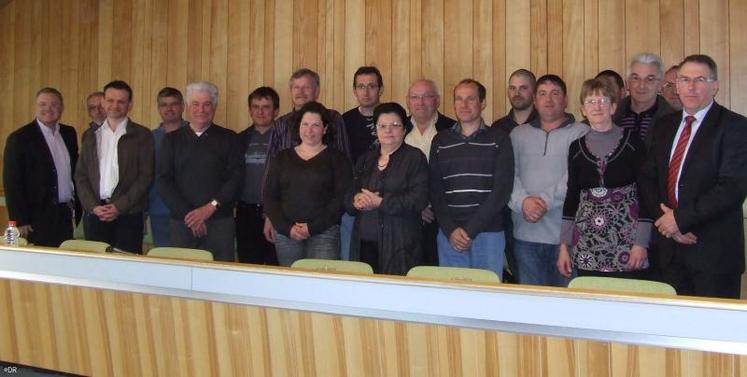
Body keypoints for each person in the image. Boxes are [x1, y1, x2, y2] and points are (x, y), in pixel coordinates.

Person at [639, 54, 747, 298]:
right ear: (676, 85)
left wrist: (681, 219)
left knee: (713, 332)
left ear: (715, 86)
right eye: (684, 79)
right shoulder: (664, 125)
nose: (691, 86)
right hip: (668, 251)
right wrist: (666, 221)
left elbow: (732, 187)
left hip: (713, 254)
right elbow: (647, 178)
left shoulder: (735, 126)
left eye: (700, 79)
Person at [557, 78, 652, 279]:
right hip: (587, 242)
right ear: (583, 110)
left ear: (613, 107)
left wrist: (641, 243)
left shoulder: (633, 141)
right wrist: (564, 246)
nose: (597, 106)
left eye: (603, 101)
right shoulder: (576, 147)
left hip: (627, 240)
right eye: (591, 102)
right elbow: (572, 197)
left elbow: (647, 194)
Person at [430, 79, 513, 279]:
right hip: (450, 235)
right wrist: (451, 229)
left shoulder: (499, 138)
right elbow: (435, 190)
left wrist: (470, 230)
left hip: (488, 233)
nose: (464, 104)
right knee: (453, 300)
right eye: (459, 99)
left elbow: (501, 190)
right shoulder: (440, 140)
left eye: (470, 99)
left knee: (487, 300)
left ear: (482, 103)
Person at [509, 75, 588, 286]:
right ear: (534, 100)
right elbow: (508, 176)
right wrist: (523, 202)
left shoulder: (581, 133)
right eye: (542, 94)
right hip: (525, 235)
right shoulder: (517, 135)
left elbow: (574, 178)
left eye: (555, 94)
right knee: (530, 308)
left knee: (566, 310)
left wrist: (543, 201)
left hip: (564, 238)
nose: (549, 99)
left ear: (565, 100)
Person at [263, 68, 351, 247]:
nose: (300, 92)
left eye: (306, 87)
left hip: (325, 219)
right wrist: (269, 216)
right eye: (296, 87)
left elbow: (345, 162)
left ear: (317, 91)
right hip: (286, 221)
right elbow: (269, 176)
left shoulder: (333, 118)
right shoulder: (280, 124)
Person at [157, 81, 242, 261]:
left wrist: (209, 208)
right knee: (181, 279)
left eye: (207, 104)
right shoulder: (171, 140)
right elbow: (163, 181)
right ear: (187, 107)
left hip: (219, 222)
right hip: (182, 222)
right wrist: (190, 215)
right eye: (195, 104)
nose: (201, 109)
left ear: (215, 107)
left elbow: (235, 179)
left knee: (220, 278)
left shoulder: (229, 138)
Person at [345, 102, 428, 275]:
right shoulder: (365, 159)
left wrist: (380, 202)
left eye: (395, 125)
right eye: (382, 126)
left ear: (404, 129)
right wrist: (356, 200)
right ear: (376, 130)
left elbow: (418, 199)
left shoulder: (414, 157)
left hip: (400, 243)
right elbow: (349, 194)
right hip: (364, 240)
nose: (388, 130)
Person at [75, 80, 154, 253]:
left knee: (127, 270)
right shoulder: (90, 136)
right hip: (96, 213)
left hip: (128, 214)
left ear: (130, 105)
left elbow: (145, 176)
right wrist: (93, 206)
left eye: (121, 101)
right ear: (103, 102)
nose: (115, 105)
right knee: (96, 271)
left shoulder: (142, 135)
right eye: (110, 100)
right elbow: (81, 176)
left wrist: (119, 206)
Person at [3, 87, 79, 247]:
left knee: (63, 262)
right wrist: (20, 220)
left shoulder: (69, 133)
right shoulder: (19, 138)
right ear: (35, 107)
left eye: (54, 104)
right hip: (35, 218)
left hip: (64, 214)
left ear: (62, 107)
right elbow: (12, 182)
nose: (48, 109)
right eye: (42, 104)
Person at [404, 79, 455, 267]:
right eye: (415, 97)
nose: (420, 102)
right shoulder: (397, 130)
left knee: (438, 272)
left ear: (437, 101)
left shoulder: (452, 129)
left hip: (443, 216)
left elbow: (453, 175)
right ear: (408, 102)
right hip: (406, 215)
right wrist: (417, 206)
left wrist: (432, 205)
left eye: (427, 96)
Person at [341, 66, 384, 261]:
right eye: (361, 86)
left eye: (372, 86)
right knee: (353, 261)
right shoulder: (344, 121)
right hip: (354, 201)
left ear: (380, 89)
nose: (366, 92)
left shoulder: (392, 118)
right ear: (354, 90)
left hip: (386, 202)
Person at [236, 87, 280, 265]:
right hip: (245, 212)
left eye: (266, 107)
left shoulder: (284, 138)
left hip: (275, 213)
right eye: (255, 106)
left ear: (276, 111)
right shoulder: (238, 140)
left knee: (274, 267)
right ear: (249, 110)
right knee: (247, 266)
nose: (260, 112)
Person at [148, 87, 187, 247]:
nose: (169, 109)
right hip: (158, 209)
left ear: (182, 106)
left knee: (187, 260)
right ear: (158, 108)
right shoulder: (149, 138)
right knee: (163, 259)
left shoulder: (194, 134)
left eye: (174, 104)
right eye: (164, 105)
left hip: (188, 211)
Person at [613, 53, 674, 149]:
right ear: (627, 83)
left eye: (650, 79)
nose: (642, 85)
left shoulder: (673, 120)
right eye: (635, 78)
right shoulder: (611, 116)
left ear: (660, 85)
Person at [492, 69, 539, 134]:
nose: (517, 93)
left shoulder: (544, 124)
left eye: (523, 88)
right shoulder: (497, 127)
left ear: (534, 92)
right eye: (513, 88)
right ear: (508, 92)